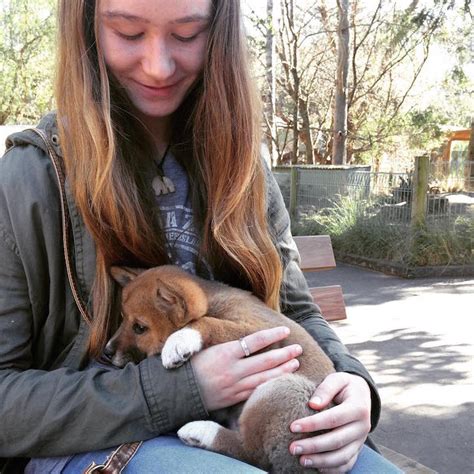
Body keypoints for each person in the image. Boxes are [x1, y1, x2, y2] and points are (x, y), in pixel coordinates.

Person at [0, 0, 401, 472]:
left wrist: (350, 385)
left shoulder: (242, 165)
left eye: (188, 34)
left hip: (261, 414)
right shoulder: (32, 176)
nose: (158, 65)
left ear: (220, 34)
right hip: (102, 437)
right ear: (86, 28)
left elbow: (295, 313)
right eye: (128, 33)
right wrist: (185, 388)